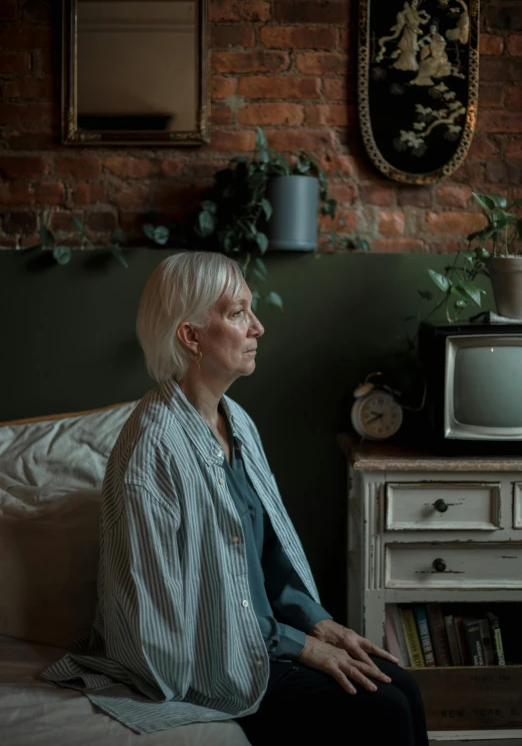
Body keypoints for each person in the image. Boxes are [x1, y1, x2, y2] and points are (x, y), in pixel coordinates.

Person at [41, 251, 429, 745]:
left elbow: (269, 556)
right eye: (238, 312)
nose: (259, 327)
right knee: (386, 711)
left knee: (407, 689)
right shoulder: (150, 449)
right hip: (211, 658)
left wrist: (320, 624)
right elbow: (164, 619)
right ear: (191, 336)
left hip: (265, 639)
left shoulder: (236, 420)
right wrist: (298, 646)